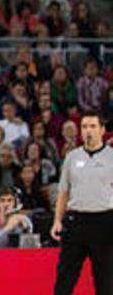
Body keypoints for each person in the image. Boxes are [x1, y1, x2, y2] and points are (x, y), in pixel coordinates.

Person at [51, 111, 113, 295]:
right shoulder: (72, 157)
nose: (88, 130)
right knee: (64, 279)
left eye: (93, 126)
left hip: (105, 222)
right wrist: (57, 220)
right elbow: (63, 192)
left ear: (102, 130)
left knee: (106, 281)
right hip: (76, 221)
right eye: (84, 126)